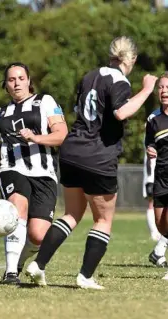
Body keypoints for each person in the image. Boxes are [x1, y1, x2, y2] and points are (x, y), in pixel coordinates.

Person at [25, 36, 158, 289]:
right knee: (103, 220)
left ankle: (38, 264)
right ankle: (85, 276)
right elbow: (121, 112)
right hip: (97, 155)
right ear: (132, 59)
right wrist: (147, 90)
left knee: (72, 214)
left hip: (72, 151)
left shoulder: (89, 76)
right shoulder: (119, 80)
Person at [0, 62, 68, 285]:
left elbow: (62, 135)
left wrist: (36, 138)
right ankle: (10, 273)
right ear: (5, 85)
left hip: (44, 174)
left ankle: (20, 261)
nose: (16, 83)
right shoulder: (1, 113)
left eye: (21, 78)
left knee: (37, 235)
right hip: (12, 168)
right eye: (11, 80)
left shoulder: (45, 102)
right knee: (18, 206)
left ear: (29, 81)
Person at [145, 72, 168, 280]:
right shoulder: (154, 119)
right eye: (160, 87)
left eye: (167, 87)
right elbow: (149, 143)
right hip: (161, 176)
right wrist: (150, 149)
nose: (164, 91)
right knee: (162, 223)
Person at [142, 144, 167, 267]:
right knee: (152, 205)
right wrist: (150, 178)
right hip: (157, 175)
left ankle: (159, 249)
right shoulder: (154, 126)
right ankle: (156, 237)